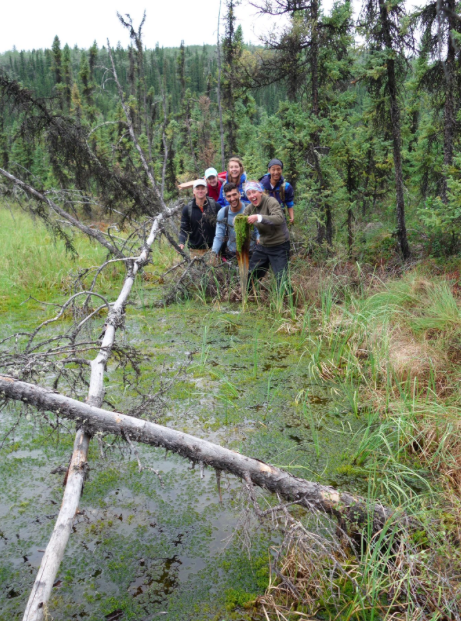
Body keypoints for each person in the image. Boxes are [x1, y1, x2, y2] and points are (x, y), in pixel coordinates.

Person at [244, 180, 291, 290]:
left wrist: (258, 217)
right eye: (249, 194)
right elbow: (242, 218)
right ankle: (246, 298)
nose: (252, 196)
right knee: (251, 275)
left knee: (282, 279)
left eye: (254, 192)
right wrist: (238, 221)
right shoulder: (250, 208)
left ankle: (289, 303)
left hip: (279, 245)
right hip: (263, 246)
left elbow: (279, 218)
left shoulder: (271, 201)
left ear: (260, 191)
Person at [210, 182, 252, 263]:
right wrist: (214, 253)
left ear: (239, 194)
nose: (232, 198)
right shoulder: (223, 213)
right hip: (232, 252)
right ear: (225, 198)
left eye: (234, 194)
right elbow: (219, 235)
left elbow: (257, 230)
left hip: (251, 251)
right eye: (229, 196)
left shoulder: (249, 208)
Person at [179, 179, 220, 257]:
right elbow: (184, 229)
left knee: (213, 269)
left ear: (206, 190)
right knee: (196, 269)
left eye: (202, 188)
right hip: (194, 250)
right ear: (193, 191)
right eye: (198, 189)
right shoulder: (187, 209)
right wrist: (181, 242)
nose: (200, 191)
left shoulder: (215, 206)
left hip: (213, 249)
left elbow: (221, 226)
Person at [259, 158, 295, 224]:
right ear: (269, 170)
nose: (276, 172)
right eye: (273, 169)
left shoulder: (286, 187)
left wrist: (291, 217)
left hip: (280, 220)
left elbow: (289, 203)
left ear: (281, 170)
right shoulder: (261, 186)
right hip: (265, 220)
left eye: (278, 169)